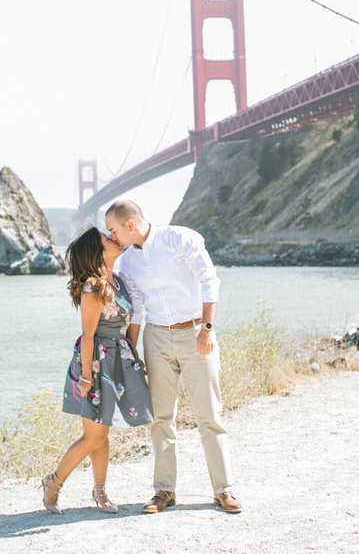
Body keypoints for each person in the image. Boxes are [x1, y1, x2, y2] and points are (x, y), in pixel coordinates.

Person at [104, 200, 242, 515]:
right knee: (161, 418)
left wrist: (207, 329)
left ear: (129, 225)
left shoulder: (179, 238)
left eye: (113, 231)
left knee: (209, 416)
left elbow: (209, 280)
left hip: (196, 334)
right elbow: (136, 306)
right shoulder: (126, 263)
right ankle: (164, 491)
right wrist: (132, 351)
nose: (112, 238)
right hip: (156, 338)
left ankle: (224, 491)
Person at [41, 225, 154, 515]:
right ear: (97, 250)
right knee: (93, 436)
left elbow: (127, 323)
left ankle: (100, 492)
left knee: (103, 434)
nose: (113, 238)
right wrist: (86, 377)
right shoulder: (93, 286)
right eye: (107, 237)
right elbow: (89, 335)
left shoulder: (116, 281)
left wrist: (133, 356)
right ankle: (53, 483)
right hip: (95, 362)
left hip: (117, 359)